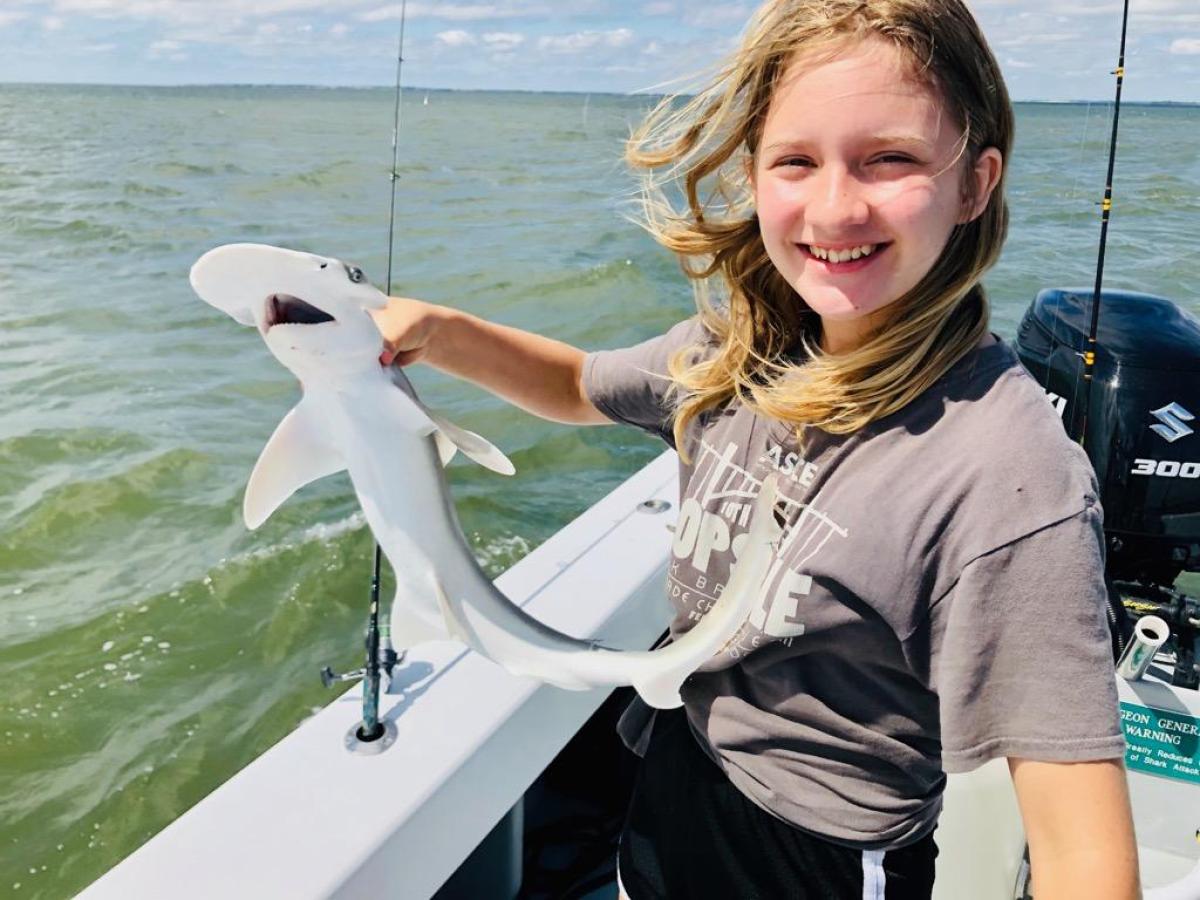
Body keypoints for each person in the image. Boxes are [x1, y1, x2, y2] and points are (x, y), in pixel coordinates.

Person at [370, 1, 1140, 896]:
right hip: (678, 774)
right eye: (796, 162)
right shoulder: (741, 353)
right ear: (753, 176)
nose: (835, 207)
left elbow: (1084, 849)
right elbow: (578, 385)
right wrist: (443, 331)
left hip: (816, 858)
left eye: (890, 159)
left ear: (976, 182)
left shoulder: (1008, 474)